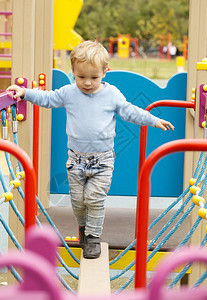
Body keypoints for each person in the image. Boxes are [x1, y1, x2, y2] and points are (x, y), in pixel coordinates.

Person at [7, 40, 174, 259]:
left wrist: (153, 120)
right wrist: (24, 92)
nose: (87, 83)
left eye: (94, 78)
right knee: (77, 202)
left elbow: (129, 111)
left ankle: (93, 237)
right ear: (73, 72)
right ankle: (85, 228)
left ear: (106, 71)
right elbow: (47, 98)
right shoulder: (68, 92)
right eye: (81, 77)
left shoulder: (111, 94)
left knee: (94, 198)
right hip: (75, 159)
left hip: (103, 161)